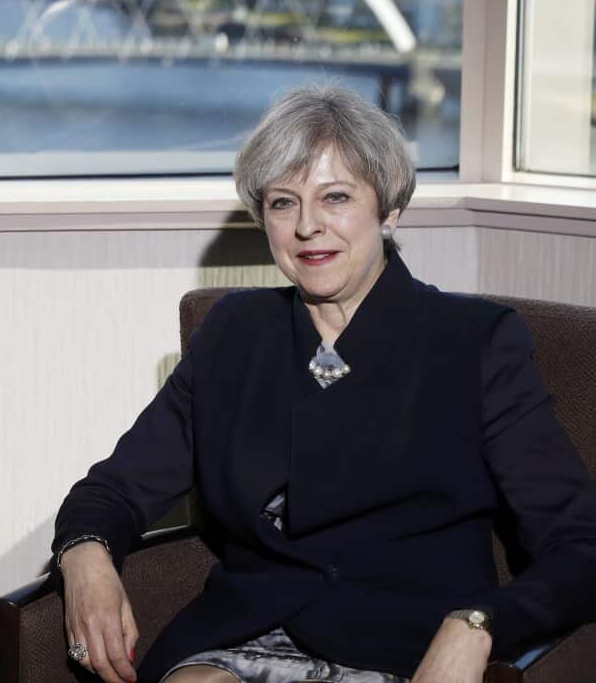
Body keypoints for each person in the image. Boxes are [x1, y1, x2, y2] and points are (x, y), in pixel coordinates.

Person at [52, 85, 596, 683]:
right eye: (283, 204)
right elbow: (113, 490)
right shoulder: (234, 332)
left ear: (388, 209)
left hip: (399, 650)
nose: (308, 226)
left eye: (335, 197)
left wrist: (477, 622)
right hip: (241, 635)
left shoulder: (477, 343)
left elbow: (580, 546)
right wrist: (85, 556)